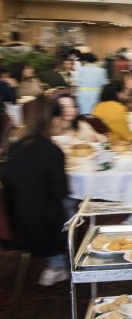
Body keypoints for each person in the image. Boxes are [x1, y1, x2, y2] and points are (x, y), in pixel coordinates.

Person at [3, 97, 69, 286]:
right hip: (42, 228)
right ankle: (58, 264)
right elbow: (60, 192)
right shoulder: (52, 152)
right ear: (53, 120)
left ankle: (55, 263)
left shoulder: (15, 147)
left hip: (15, 221)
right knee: (72, 204)